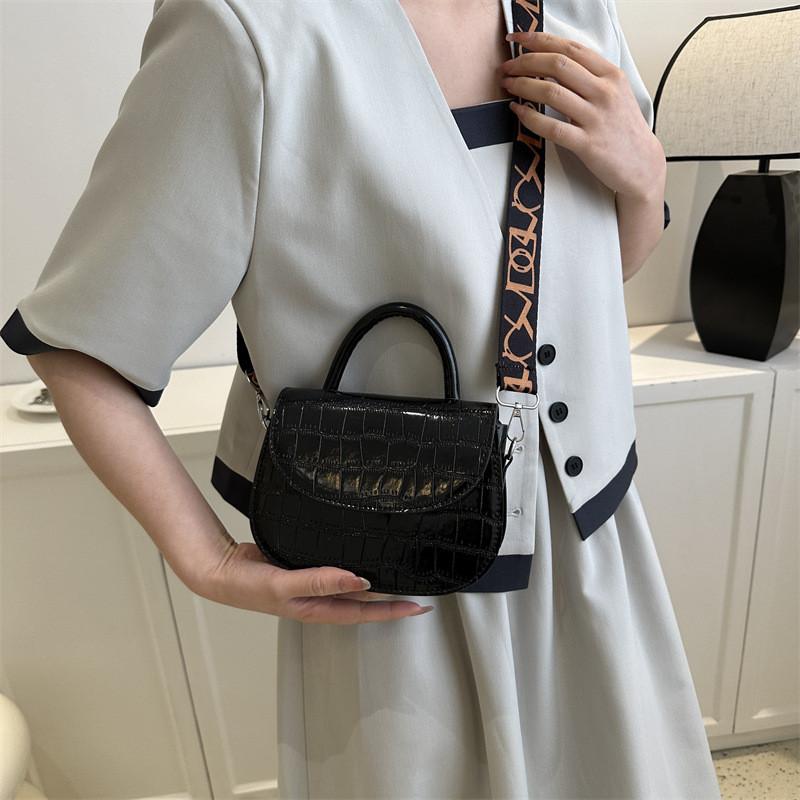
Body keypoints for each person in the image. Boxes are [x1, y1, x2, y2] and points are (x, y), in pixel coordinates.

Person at [1, 0, 722, 797]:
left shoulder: (579, 10)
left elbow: (591, 281)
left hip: (591, 546)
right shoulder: (246, 28)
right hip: (402, 587)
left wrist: (643, 174)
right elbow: (81, 343)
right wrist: (204, 560)